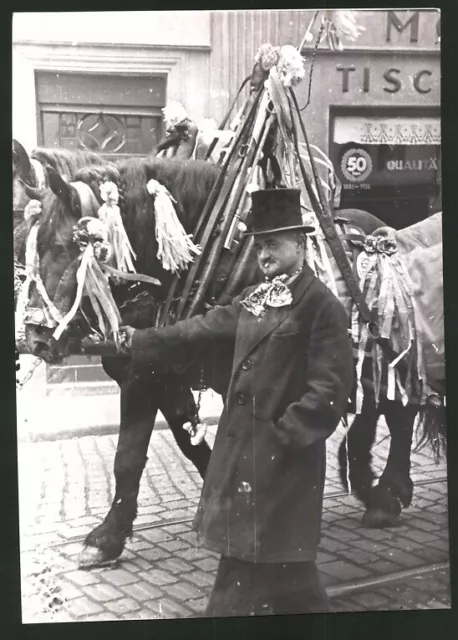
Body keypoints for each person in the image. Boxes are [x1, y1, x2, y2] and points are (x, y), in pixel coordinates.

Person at [120, 188, 354, 616]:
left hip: (281, 468)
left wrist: (280, 438)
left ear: (300, 245)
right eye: (259, 245)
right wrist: (141, 340)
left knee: (244, 576)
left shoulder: (321, 306)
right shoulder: (256, 297)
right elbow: (204, 327)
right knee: (286, 574)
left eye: (273, 244)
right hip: (247, 461)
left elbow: (330, 391)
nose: (263, 255)